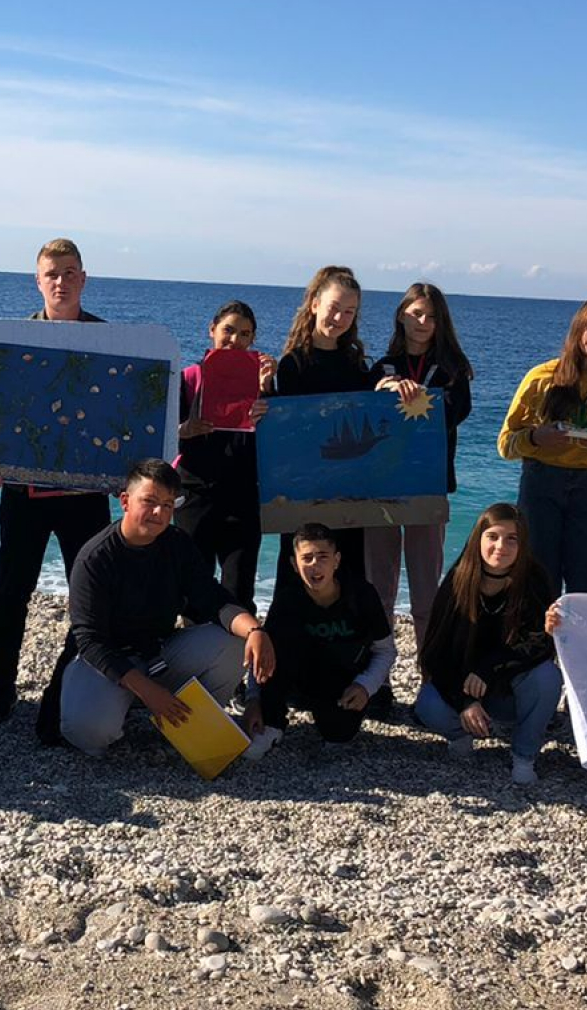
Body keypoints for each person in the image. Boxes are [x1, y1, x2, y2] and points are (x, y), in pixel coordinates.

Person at [57, 460, 274, 756]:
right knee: (88, 732)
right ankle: (127, 706)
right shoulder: (95, 558)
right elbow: (90, 640)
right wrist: (148, 691)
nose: (159, 513)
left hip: (159, 653)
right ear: (125, 501)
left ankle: (184, 724)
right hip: (107, 664)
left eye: (168, 505)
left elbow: (212, 598)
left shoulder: (177, 544)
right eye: (149, 502)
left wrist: (256, 630)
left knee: (237, 641)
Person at [0, 238, 113, 722]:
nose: (61, 281)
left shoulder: (107, 340)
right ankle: (1, 690)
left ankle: (67, 686)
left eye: (70, 272)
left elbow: (116, 418)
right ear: (37, 281)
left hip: (85, 498)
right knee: (13, 590)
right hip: (24, 494)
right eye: (52, 273)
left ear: (84, 278)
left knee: (90, 596)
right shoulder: (14, 339)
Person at [496, 297, 587, 597]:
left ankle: (577, 646)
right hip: (541, 482)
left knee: (586, 585)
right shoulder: (541, 378)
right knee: (538, 580)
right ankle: (537, 644)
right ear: (578, 327)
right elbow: (505, 445)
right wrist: (535, 438)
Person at [414, 503, 560, 784]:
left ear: (523, 544)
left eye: (511, 539)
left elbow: (540, 644)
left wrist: (488, 668)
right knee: (428, 705)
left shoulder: (534, 579)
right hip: (463, 687)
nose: (500, 546)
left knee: (547, 677)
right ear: (478, 539)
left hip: (509, 690)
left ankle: (524, 754)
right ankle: (461, 733)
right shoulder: (458, 581)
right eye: (492, 536)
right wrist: (465, 700)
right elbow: (435, 653)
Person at [364, 283, 474, 652]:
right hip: (381, 486)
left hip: (428, 484)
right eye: (416, 313)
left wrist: (420, 398)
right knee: (379, 588)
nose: (424, 322)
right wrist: (382, 389)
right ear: (401, 315)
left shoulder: (453, 371)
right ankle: (378, 675)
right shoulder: (381, 367)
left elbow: (456, 413)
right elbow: (363, 419)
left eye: (431, 315)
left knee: (427, 590)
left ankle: (430, 675)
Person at [244, 523, 394, 759]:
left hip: (340, 680)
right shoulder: (287, 600)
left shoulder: (361, 594)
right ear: (294, 564)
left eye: (323, 556)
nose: (315, 565)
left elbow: (385, 651)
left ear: (336, 560)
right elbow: (261, 653)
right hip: (297, 675)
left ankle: (334, 718)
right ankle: (272, 724)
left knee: (339, 734)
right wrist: (253, 700)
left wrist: (366, 686)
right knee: (274, 646)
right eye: (307, 558)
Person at [266, 266, 373, 579]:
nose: (339, 319)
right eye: (334, 309)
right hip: (303, 485)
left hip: (350, 485)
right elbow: (286, 428)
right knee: (299, 566)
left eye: (349, 312)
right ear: (314, 304)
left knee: (349, 568)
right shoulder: (293, 363)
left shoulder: (357, 362)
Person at [174, 300, 274, 610]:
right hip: (195, 495)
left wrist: (268, 395)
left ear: (252, 340)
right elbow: (163, 435)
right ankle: (194, 654)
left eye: (244, 334)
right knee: (193, 591)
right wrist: (185, 429)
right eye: (228, 331)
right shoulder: (189, 378)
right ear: (212, 330)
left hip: (242, 499)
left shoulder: (262, 384)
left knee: (239, 593)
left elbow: (276, 447)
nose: (234, 340)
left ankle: (233, 656)